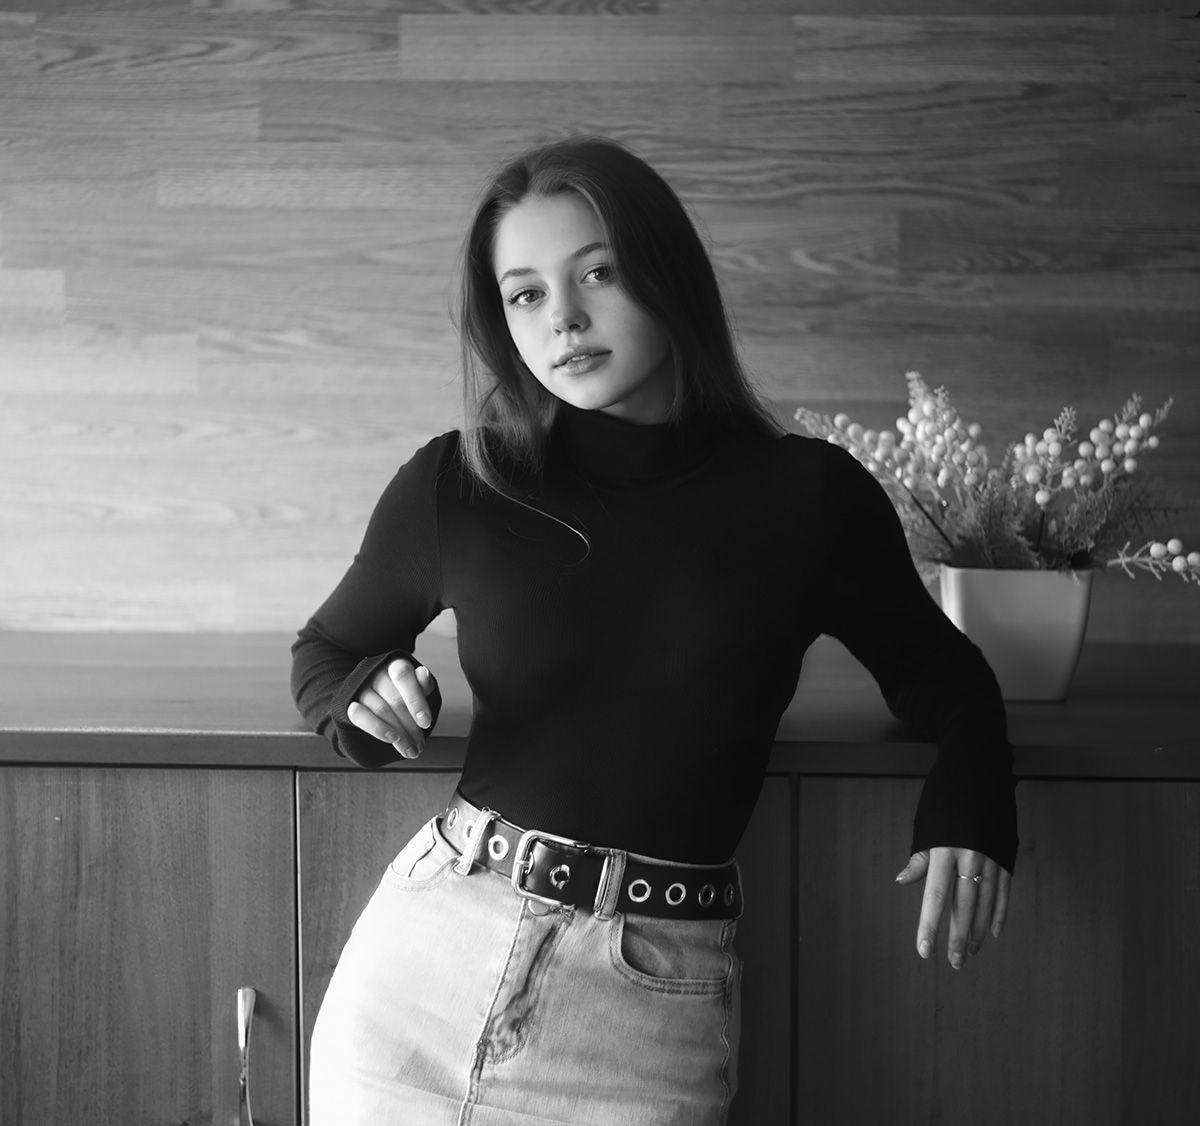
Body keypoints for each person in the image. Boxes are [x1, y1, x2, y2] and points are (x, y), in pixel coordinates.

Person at [290, 135, 1017, 1126]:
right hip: (421, 977)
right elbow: (325, 653)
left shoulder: (808, 497)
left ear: (668, 273)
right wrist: (365, 697)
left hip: (646, 1013)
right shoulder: (461, 483)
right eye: (526, 294)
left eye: (597, 273)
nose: (564, 318)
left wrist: (972, 804)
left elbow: (946, 677)